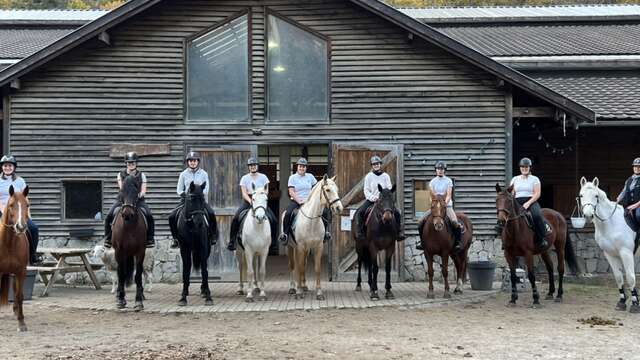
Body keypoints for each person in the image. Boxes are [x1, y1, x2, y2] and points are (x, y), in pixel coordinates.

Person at [103, 152, 155, 248]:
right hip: (122, 200)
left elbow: (143, 190)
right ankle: (108, 239)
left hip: (138, 201)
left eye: (133, 163)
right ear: (126, 163)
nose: (131, 164)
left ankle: (150, 238)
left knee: (149, 216)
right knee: (109, 216)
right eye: (129, 163)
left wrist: (139, 195)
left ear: (136, 163)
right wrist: (128, 197)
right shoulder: (120, 174)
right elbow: (122, 189)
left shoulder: (142, 175)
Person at [168, 151, 218, 248]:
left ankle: (212, 235)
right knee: (172, 216)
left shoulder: (204, 174)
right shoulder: (183, 174)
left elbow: (206, 189)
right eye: (190, 161)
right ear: (188, 162)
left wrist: (198, 195)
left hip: (199, 201)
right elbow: (179, 189)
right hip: (186, 201)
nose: (192, 162)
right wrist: (186, 197)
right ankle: (175, 239)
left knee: (211, 213)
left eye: (194, 161)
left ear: (198, 162)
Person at [227, 157, 277, 251]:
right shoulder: (244, 178)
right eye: (251, 166)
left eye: (254, 165)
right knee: (236, 218)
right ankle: (232, 241)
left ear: (257, 166)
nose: (253, 167)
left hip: (260, 201)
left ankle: (273, 242)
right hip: (248, 201)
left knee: (273, 219)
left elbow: (266, 191)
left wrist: (259, 199)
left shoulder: (263, 177)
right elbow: (244, 193)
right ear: (249, 167)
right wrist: (251, 201)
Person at [0, 155, 41, 264]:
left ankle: (32, 256)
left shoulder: (20, 181)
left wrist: (28, 215)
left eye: (10, 165)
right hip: (2, 211)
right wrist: (4, 210)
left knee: (34, 229)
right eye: (5, 165)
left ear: (14, 168)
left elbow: (25, 199)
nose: (7, 168)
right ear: (2, 167)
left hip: (19, 212)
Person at [278, 158, 331, 243]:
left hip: (310, 201)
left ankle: (325, 233)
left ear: (306, 168)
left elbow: (316, 188)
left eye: (303, 167)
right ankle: (285, 234)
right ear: (297, 167)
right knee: (288, 213)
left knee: (324, 212)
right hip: (296, 201)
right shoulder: (292, 177)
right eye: (300, 166)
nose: (302, 168)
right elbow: (291, 192)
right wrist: (299, 201)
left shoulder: (310, 176)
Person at [354, 155, 404, 241]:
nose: (376, 165)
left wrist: (383, 198)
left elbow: (388, 188)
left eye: (377, 163)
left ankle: (399, 232)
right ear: (372, 166)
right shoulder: (369, 176)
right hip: (372, 200)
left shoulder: (386, 176)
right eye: (374, 164)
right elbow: (366, 190)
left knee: (397, 213)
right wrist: (374, 198)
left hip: (384, 201)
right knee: (360, 212)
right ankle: (360, 232)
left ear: (380, 164)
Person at [509, 157, 549, 249]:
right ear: (520, 168)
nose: (524, 169)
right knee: (506, 213)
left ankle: (542, 238)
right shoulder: (515, 179)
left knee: (537, 215)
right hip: (517, 201)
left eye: (526, 167)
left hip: (531, 200)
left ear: (529, 168)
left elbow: (537, 193)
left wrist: (528, 203)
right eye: (522, 167)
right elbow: (512, 192)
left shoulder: (534, 179)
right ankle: (505, 238)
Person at [428, 161, 462, 251]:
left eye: (442, 169)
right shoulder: (432, 182)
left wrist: (444, 204)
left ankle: (458, 242)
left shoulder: (448, 181)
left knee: (454, 221)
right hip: (435, 206)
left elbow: (449, 194)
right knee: (421, 221)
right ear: (435, 170)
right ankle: (422, 242)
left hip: (447, 205)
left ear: (444, 170)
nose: (440, 171)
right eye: (438, 169)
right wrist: (434, 203)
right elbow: (432, 195)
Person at [617, 157, 640, 233]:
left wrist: (635, 206)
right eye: (635, 166)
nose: (637, 168)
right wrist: (619, 198)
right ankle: (636, 232)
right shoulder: (629, 179)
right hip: (630, 204)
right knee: (625, 214)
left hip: (639, 204)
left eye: (639, 166)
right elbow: (624, 191)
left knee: (638, 214)